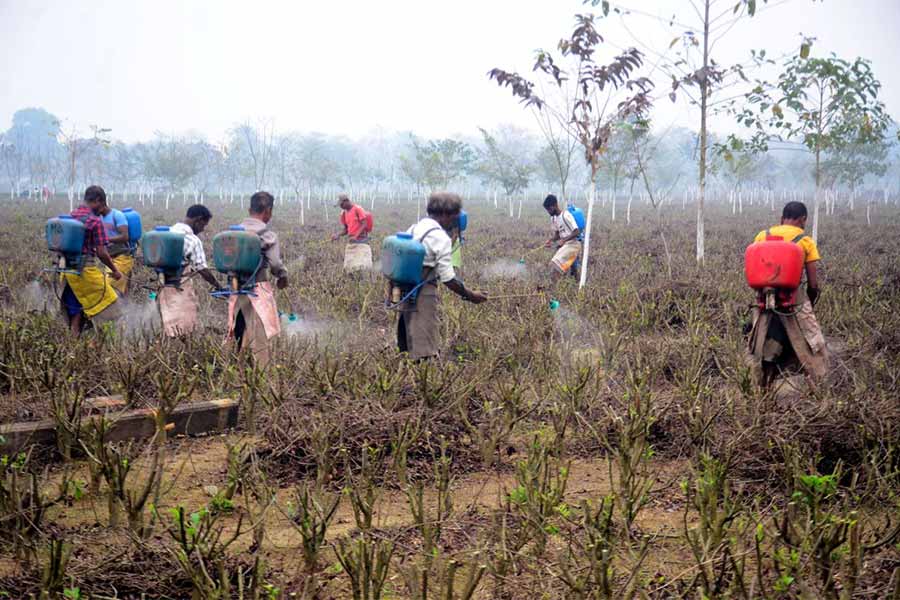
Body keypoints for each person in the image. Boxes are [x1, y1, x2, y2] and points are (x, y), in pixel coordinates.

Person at [396, 192, 487, 360]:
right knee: (424, 329)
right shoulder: (440, 237)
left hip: (405, 287)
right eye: (454, 216)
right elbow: (448, 279)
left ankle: (406, 363)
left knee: (409, 326)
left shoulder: (415, 227)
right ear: (446, 214)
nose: (455, 221)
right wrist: (470, 295)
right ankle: (424, 370)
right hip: (423, 289)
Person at [748, 201, 828, 386]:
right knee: (813, 346)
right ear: (803, 219)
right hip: (794, 301)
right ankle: (820, 388)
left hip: (763, 300)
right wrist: (810, 299)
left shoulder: (762, 236)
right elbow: (813, 282)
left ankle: (760, 389)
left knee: (761, 346)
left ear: (781, 219)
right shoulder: (805, 240)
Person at [227, 191, 288, 366]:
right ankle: (262, 375)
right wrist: (283, 276)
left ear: (249, 209)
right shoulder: (267, 235)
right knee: (260, 334)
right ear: (268, 211)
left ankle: (235, 369)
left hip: (235, 289)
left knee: (238, 329)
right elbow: (275, 264)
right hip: (258, 289)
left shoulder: (233, 233)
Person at [61, 186, 123, 335]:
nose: (102, 210)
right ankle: (102, 341)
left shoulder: (71, 216)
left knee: (76, 307)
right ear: (97, 201)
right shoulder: (95, 221)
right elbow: (102, 252)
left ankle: (73, 341)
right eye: (102, 205)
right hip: (85, 271)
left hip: (67, 271)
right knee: (109, 304)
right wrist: (115, 270)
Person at [158, 205, 222, 337]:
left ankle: (167, 341)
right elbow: (202, 269)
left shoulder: (168, 231)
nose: (203, 229)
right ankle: (183, 343)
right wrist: (218, 286)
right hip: (180, 284)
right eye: (203, 225)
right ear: (198, 220)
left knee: (166, 314)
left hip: (161, 283)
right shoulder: (193, 240)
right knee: (186, 317)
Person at [543, 194, 582, 279]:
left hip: (574, 244)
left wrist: (564, 240)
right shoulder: (553, 219)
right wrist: (550, 240)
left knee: (556, 262)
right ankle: (573, 282)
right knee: (571, 268)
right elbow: (558, 234)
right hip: (565, 245)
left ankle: (552, 284)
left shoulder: (566, 216)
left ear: (554, 206)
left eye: (549, 209)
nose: (548, 212)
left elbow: (577, 232)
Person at [98, 200, 133, 295]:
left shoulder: (117, 215)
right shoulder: (99, 218)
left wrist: (106, 239)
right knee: (117, 291)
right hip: (109, 259)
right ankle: (126, 308)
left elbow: (125, 236)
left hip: (122, 258)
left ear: (99, 202)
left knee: (108, 287)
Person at [331, 194, 373, 272]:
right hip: (352, 242)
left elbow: (364, 224)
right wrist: (338, 235)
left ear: (346, 201)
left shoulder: (357, 209)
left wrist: (356, 236)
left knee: (363, 267)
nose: (341, 207)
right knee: (349, 268)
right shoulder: (344, 213)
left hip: (361, 241)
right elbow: (346, 230)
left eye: (341, 204)